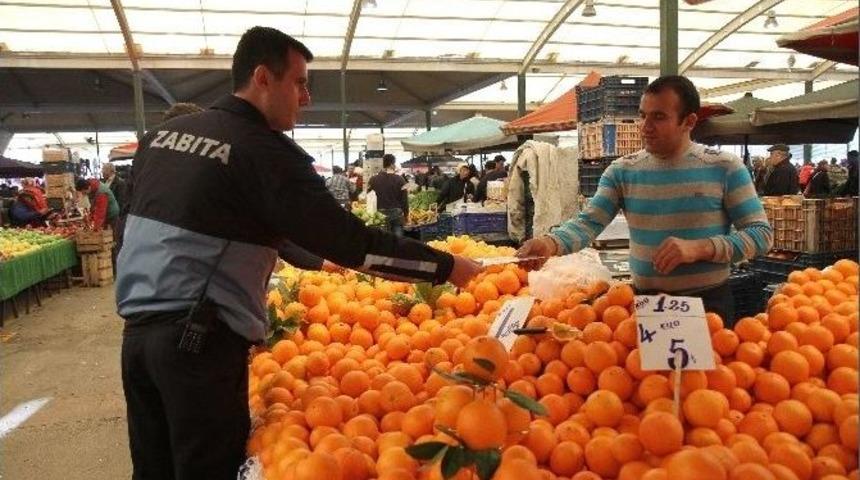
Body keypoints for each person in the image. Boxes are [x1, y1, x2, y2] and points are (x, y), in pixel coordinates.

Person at [115, 26, 482, 480]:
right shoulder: (264, 152)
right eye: (300, 82)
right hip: (198, 345)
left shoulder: (162, 138)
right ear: (263, 78)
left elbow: (135, 230)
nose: (307, 97)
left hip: (137, 341)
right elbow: (355, 244)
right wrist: (447, 267)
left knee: (152, 471)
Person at [517, 75, 773, 323]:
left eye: (659, 117)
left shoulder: (725, 167)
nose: (645, 126)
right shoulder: (623, 171)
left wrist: (701, 248)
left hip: (707, 304)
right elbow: (589, 222)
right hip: (646, 305)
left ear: (689, 121)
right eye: (643, 115)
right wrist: (550, 243)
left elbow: (761, 235)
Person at [367, 153, 409, 236]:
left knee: (383, 239)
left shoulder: (373, 179)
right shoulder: (401, 180)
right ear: (392, 164)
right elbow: (404, 199)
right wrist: (406, 214)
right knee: (398, 240)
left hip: (380, 213)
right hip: (396, 213)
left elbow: (368, 195)